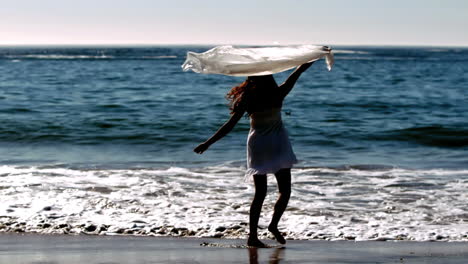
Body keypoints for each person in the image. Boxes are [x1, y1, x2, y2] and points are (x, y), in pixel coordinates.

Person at [194, 61, 314, 247]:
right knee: (285, 190)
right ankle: (273, 225)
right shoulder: (279, 92)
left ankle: (252, 236)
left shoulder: (248, 99)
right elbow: (299, 70)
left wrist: (208, 143)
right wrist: (317, 54)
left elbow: (230, 125)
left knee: (260, 194)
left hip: (258, 144)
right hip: (278, 143)